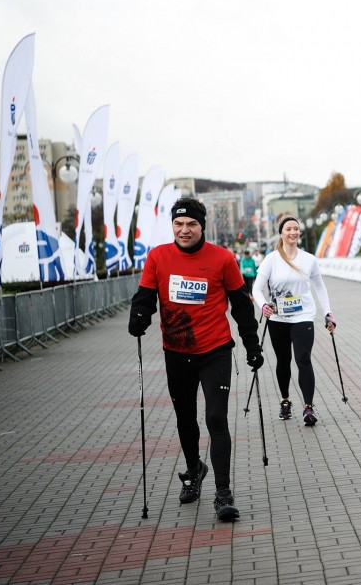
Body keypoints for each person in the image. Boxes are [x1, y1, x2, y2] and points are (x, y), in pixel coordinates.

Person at [128, 197, 264, 523]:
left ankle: (223, 494)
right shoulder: (158, 257)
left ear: (202, 226)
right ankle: (194, 469)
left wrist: (252, 345)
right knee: (185, 420)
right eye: (179, 224)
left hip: (215, 350)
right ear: (172, 226)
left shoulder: (222, 258)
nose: (184, 230)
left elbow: (242, 306)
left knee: (216, 419)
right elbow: (145, 296)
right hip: (176, 352)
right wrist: (140, 315)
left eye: (191, 224)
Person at [252, 216, 336, 426]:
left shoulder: (308, 259)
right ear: (281, 233)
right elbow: (256, 288)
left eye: (296, 229)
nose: (293, 232)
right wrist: (263, 306)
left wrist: (328, 313)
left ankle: (308, 407)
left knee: (304, 358)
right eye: (288, 229)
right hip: (278, 318)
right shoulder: (271, 259)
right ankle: (285, 400)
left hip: (303, 316)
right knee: (283, 361)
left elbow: (320, 287)